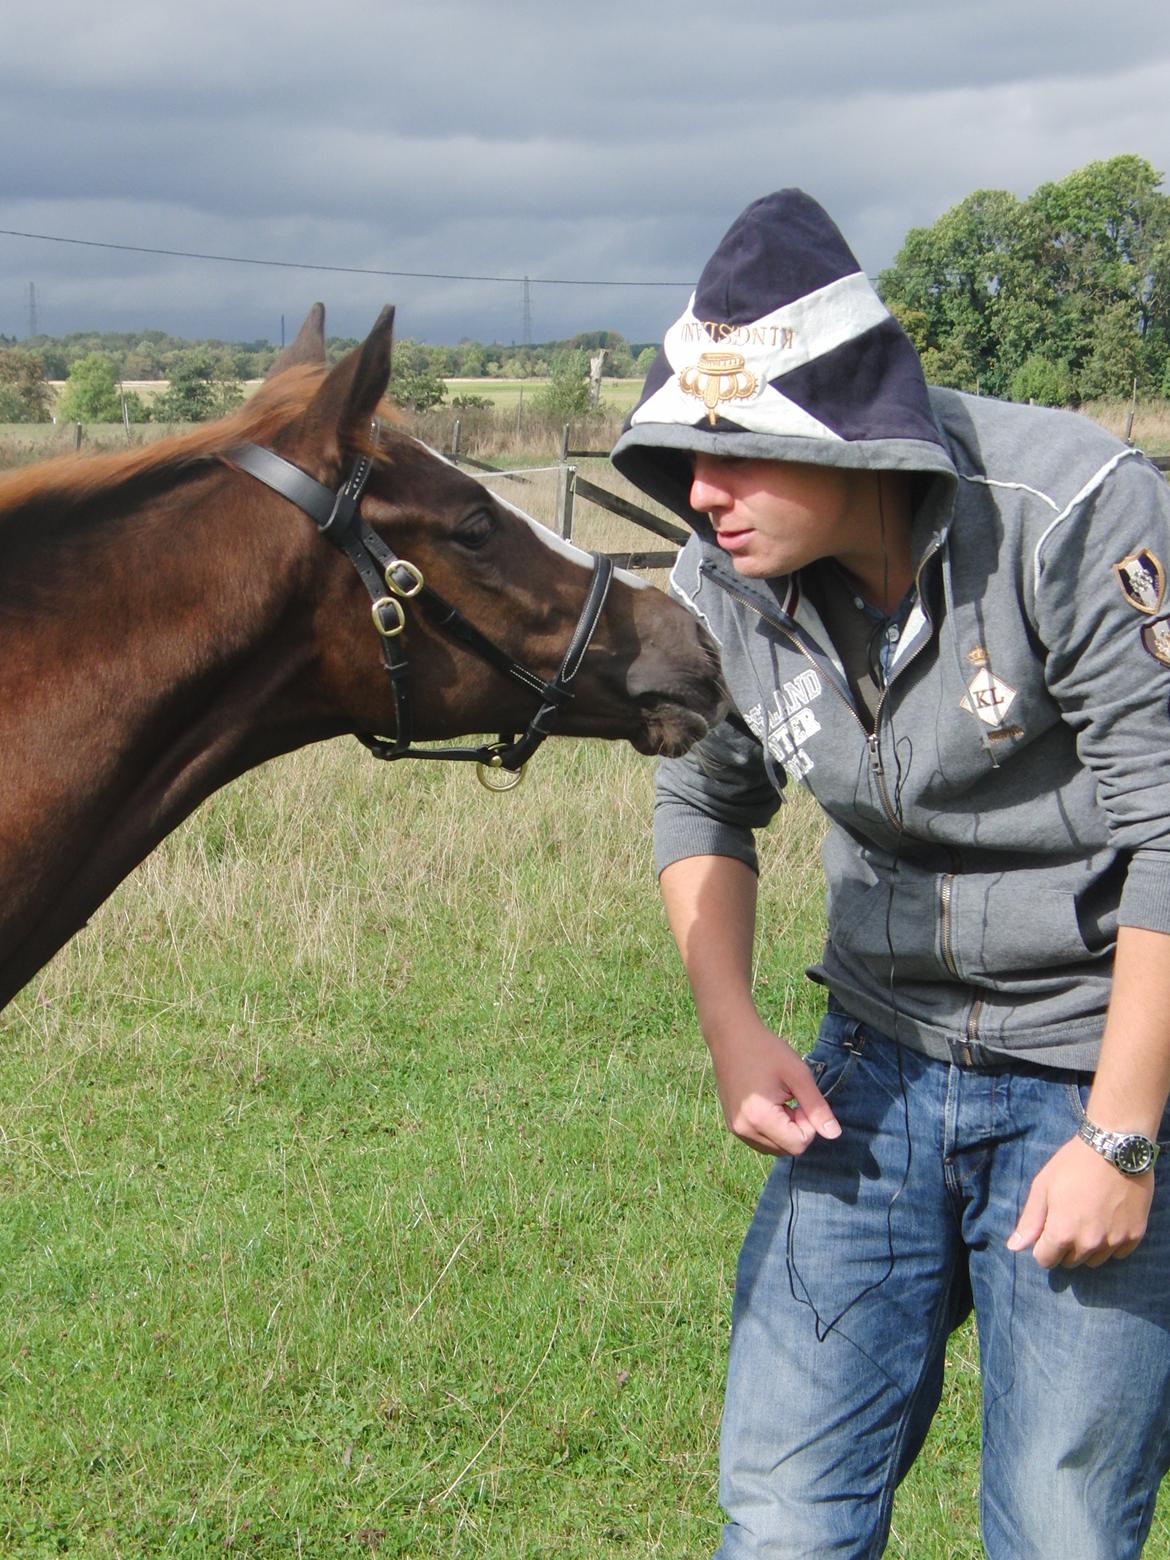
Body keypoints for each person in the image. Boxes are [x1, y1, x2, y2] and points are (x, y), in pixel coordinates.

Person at [609, 189, 1170, 1559]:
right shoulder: (722, 580)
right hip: (872, 1063)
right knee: (785, 1513)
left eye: (733, 455)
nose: (700, 493)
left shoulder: (1070, 514)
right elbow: (703, 798)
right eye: (685, 453)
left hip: (1088, 1065)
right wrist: (734, 1032)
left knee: (1059, 1527)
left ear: (855, 439)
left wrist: (1117, 1138)